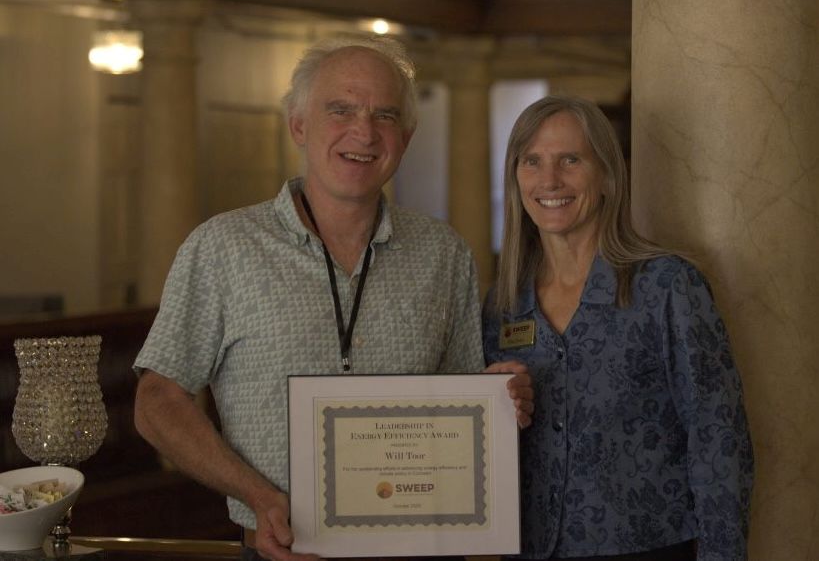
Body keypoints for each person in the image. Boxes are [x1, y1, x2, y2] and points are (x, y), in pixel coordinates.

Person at [133, 36, 533, 561]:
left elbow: (461, 404)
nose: (364, 132)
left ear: (405, 137)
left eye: (385, 115)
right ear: (299, 125)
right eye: (340, 110)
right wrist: (257, 495)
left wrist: (502, 396)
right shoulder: (222, 248)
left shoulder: (445, 253)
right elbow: (156, 402)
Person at [482, 96, 753, 561]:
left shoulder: (667, 286)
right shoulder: (504, 305)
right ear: (515, 178)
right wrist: (490, 405)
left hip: (648, 548)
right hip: (529, 549)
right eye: (532, 161)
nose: (549, 180)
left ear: (607, 175)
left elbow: (719, 439)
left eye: (571, 160)